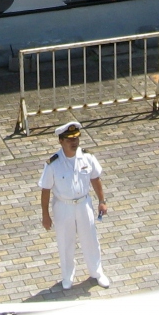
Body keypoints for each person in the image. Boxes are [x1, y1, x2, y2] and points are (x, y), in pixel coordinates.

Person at [39, 120, 111, 291]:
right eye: (70, 139)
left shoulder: (87, 157)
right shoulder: (53, 163)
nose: (74, 142)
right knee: (65, 241)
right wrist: (45, 215)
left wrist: (102, 201)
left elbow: (95, 179)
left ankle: (97, 272)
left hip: (84, 203)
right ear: (61, 141)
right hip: (63, 206)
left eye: (76, 138)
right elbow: (45, 190)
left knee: (90, 239)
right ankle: (67, 276)